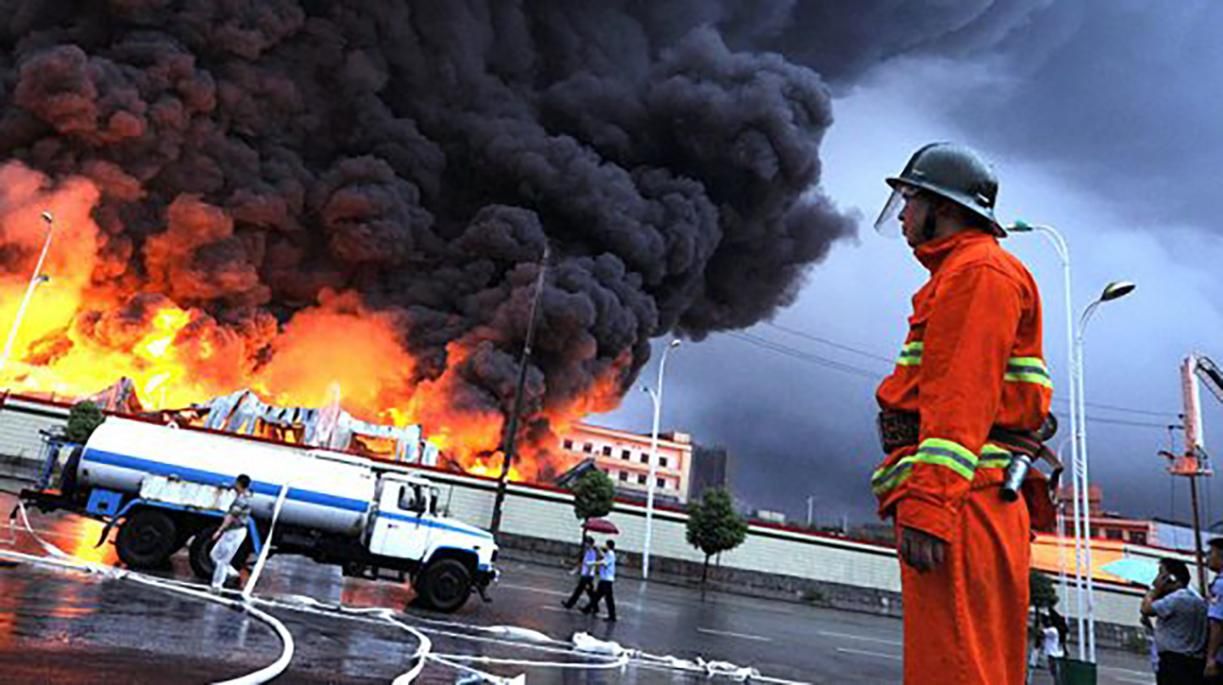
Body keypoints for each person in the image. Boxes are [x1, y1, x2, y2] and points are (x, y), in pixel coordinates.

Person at [870, 143, 1055, 684]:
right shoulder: (966, 272)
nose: (901, 214)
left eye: (910, 199)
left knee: (953, 668)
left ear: (944, 208)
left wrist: (930, 504)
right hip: (972, 495)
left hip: (963, 500)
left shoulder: (978, 272)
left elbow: (961, 397)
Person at [1141, 557, 1207, 684]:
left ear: (1171, 578)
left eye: (1161, 574)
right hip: (1194, 662)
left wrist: (1154, 591)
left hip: (1174, 660)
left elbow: (1146, 609)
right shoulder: (1197, 600)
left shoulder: (1176, 599)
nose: (1157, 578)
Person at [210, 473, 254, 593]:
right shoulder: (246, 496)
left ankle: (216, 585)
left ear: (238, 483)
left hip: (235, 531)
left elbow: (231, 517)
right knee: (214, 555)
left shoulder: (241, 500)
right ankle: (232, 573)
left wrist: (219, 531)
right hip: (234, 531)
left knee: (223, 559)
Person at [582, 540, 616, 622]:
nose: (604, 546)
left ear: (608, 545)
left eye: (606, 545)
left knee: (607, 599)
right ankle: (587, 609)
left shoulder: (610, 554)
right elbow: (603, 556)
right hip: (604, 579)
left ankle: (612, 616)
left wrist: (592, 563)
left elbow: (604, 562)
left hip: (607, 580)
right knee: (597, 596)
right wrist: (598, 550)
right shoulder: (609, 553)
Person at [1204, 538, 1223, 682]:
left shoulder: (1220, 585)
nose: (1207, 558)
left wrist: (1211, 658)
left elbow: (1217, 623)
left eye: (1211, 553)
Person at [562, 536, 598, 610]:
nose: (585, 544)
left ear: (591, 544)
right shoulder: (587, 552)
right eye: (585, 543)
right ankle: (569, 604)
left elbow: (591, 565)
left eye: (587, 543)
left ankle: (595, 607)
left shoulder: (592, 553)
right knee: (579, 591)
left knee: (589, 593)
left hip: (588, 576)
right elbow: (582, 563)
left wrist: (587, 576)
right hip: (585, 575)